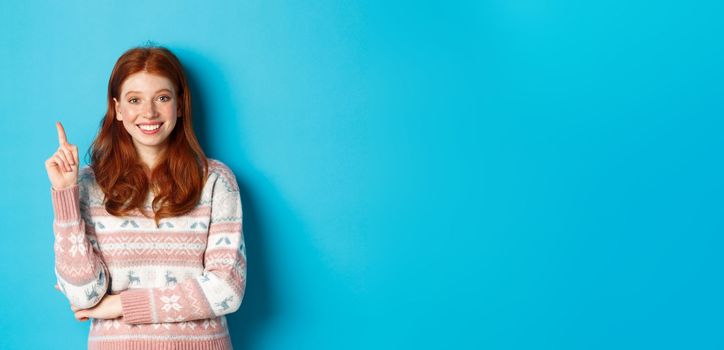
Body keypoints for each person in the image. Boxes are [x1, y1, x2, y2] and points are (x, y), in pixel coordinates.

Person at [44, 45, 246, 350]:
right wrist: (65, 196)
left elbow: (227, 289)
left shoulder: (216, 181)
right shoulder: (87, 185)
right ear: (118, 109)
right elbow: (83, 295)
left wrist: (122, 305)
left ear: (180, 105)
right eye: (134, 100)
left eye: (162, 98)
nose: (149, 112)